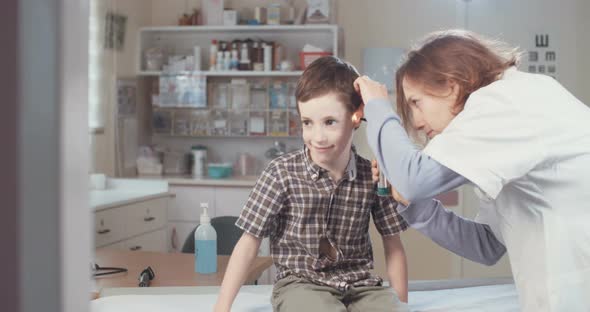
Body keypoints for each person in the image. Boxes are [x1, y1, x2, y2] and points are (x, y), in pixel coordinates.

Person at [355, 29, 590, 311]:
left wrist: (378, 107)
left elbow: (413, 179)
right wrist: (417, 207)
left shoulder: (504, 101)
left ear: (451, 86)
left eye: (416, 102)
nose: (416, 122)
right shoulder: (502, 127)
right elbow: (486, 245)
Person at [214, 56, 410, 312]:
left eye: (329, 122)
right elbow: (248, 242)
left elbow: (392, 244)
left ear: (356, 116)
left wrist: (402, 303)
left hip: (361, 284)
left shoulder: (372, 175)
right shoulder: (281, 173)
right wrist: (221, 307)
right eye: (307, 123)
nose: (317, 137)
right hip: (301, 284)